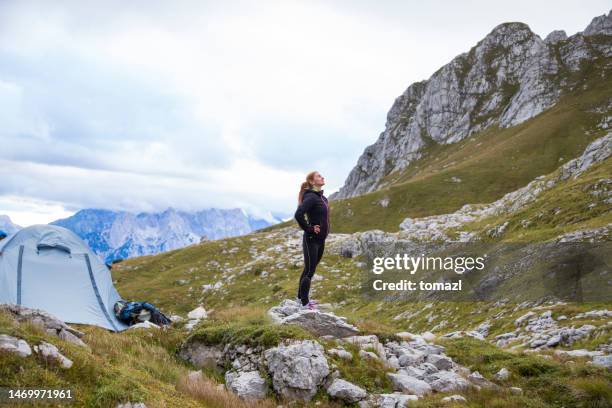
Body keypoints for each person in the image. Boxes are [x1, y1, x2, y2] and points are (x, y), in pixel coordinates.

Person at [294, 171, 330, 309]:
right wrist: (309, 229)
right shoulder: (311, 197)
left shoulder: (322, 198)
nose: (322, 177)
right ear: (312, 182)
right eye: (319, 176)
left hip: (320, 240)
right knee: (309, 271)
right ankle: (304, 303)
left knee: (310, 269)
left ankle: (300, 298)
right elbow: (298, 214)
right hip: (311, 239)